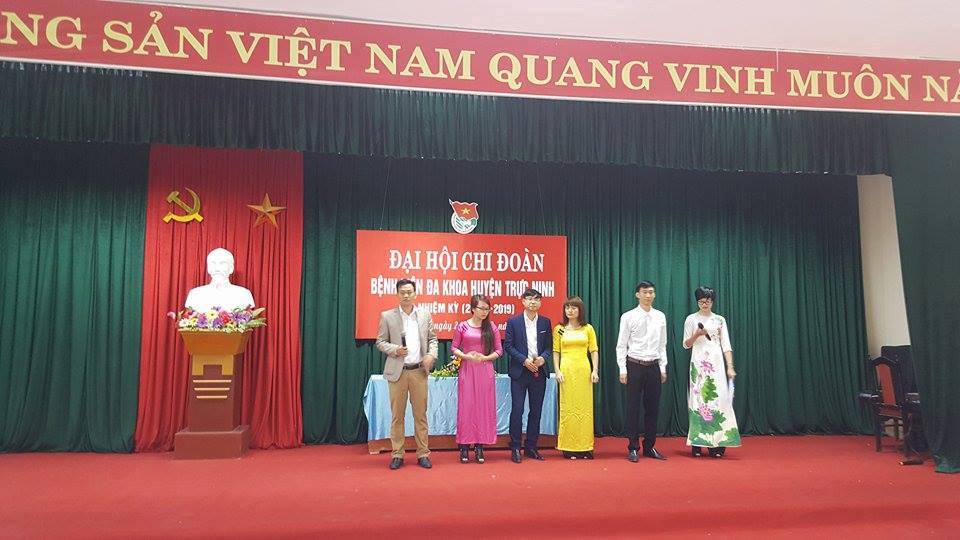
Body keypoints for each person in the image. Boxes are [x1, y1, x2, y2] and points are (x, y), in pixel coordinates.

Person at [375, 279, 438, 470]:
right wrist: (395, 350)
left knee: (421, 415)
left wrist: (431, 355)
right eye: (402, 292)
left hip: (419, 371)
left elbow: (433, 339)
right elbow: (380, 342)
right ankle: (397, 454)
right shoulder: (387, 316)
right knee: (397, 416)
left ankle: (423, 453)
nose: (406, 295)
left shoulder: (424, 315)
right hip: (398, 373)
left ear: (415, 294)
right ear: (397, 294)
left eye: (409, 292)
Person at [682, 286, 741, 457]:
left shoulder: (719, 320)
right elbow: (686, 344)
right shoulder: (691, 319)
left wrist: (730, 366)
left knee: (718, 400)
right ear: (697, 302)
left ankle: (717, 443)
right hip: (698, 364)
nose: (704, 304)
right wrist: (697, 335)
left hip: (716, 364)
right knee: (698, 400)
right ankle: (697, 442)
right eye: (701, 301)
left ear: (712, 302)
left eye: (707, 301)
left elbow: (726, 345)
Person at [616, 280, 668, 462]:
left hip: (654, 366)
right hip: (634, 365)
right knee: (633, 408)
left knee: (652, 408)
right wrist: (622, 369)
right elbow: (621, 345)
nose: (648, 295)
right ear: (637, 295)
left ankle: (649, 446)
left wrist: (663, 367)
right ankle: (633, 447)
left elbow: (662, 344)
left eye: (651, 292)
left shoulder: (660, 316)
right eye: (645, 292)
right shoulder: (628, 316)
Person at [451, 294, 502, 464]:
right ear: (473, 309)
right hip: (467, 369)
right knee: (467, 407)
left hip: (485, 371)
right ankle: (464, 446)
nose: (484, 312)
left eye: (487, 309)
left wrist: (485, 358)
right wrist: (466, 356)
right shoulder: (462, 326)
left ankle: (480, 446)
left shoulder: (492, 327)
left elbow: (499, 351)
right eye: (481, 308)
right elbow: (454, 348)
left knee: (483, 408)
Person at [503, 288, 552, 463]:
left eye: (536, 299)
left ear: (540, 302)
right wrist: (524, 360)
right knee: (517, 410)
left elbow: (549, 347)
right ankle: (515, 447)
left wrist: (543, 358)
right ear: (523, 301)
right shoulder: (513, 322)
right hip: (520, 372)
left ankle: (531, 446)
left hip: (539, 371)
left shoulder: (545, 322)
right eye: (529, 299)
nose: (533, 302)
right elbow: (508, 346)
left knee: (536, 411)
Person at [552, 296, 599, 459]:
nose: (570, 310)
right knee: (568, 408)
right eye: (567, 307)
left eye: (573, 307)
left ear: (580, 310)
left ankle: (585, 447)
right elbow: (556, 351)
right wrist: (557, 370)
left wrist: (595, 370)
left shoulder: (588, 329)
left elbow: (594, 350)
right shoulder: (559, 329)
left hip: (583, 371)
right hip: (566, 371)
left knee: (585, 409)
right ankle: (568, 447)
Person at [184, 248, 255, 311]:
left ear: (231, 268)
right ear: (208, 268)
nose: (217, 269)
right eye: (213, 263)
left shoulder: (244, 294)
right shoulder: (195, 294)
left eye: (222, 263)